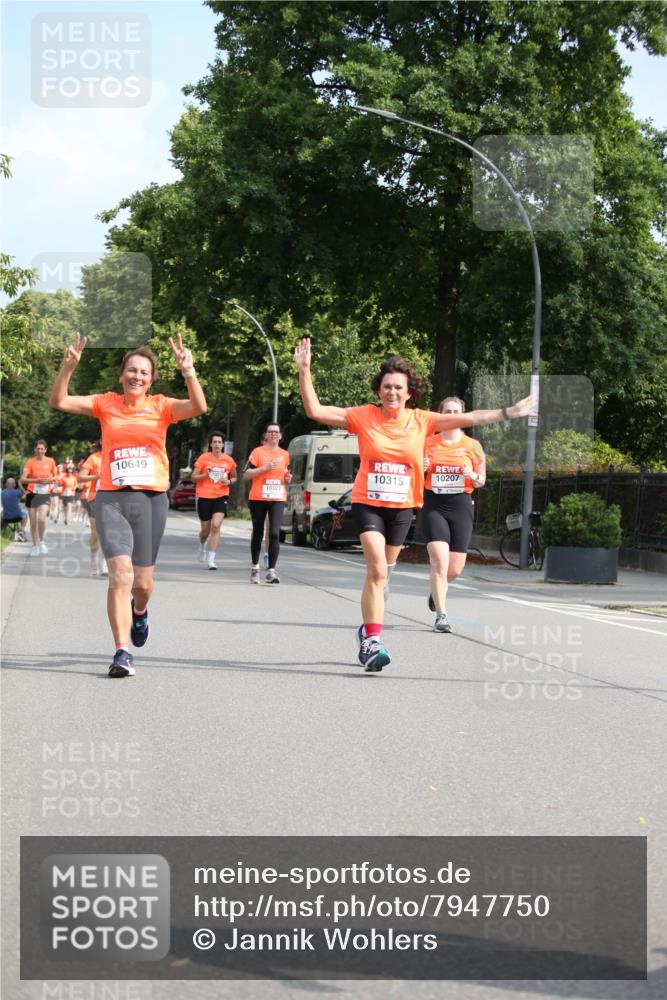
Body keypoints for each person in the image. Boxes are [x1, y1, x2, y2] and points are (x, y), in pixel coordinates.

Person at [294, 337, 534, 671]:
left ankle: (367, 625)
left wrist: (510, 412)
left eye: (398, 388)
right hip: (368, 503)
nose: (391, 392)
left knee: (385, 573)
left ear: (409, 393)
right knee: (376, 570)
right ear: (379, 390)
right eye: (386, 386)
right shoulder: (363, 416)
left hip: (403, 508)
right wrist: (304, 372)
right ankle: (372, 643)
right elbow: (315, 411)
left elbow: (471, 419)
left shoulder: (423, 421)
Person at [49, 331, 207, 678]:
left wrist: (189, 372)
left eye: (144, 373)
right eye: (132, 371)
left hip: (150, 500)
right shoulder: (105, 403)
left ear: (151, 380)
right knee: (119, 575)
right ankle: (121, 651)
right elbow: (59, 401)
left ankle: (140, 612)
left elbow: (198, 407)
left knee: (143, 584)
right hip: (112, 499)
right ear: (122, 375)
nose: (137, 377)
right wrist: (67, 368)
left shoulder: (162, 406)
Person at [423, 397, 486, 633]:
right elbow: (413, 475)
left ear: (462, 415)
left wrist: (471, 473)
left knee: (455, 570)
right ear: (440, 415)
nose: (451, 415)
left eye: (455, 411)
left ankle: (436, 590)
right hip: (434, 505)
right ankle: (441, 616)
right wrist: (423, 466)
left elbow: (481, 481)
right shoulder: (427, 443)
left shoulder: (473, 446)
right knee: (439, 560)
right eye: (446, 411)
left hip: (461, 506)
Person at [243, 422, 292, 584]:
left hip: (277, 497)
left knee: (274, 533)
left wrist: (287, 477)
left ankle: (271, 570)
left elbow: (284, 473)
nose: (273, 434)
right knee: (258, 532)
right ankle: (255, 567)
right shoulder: (258, 452)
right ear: (266, 435)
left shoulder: (285, 454)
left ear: (280, 436)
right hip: (258, 498)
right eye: (270, 432)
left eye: (276, 432)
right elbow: (246, 474)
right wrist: (264, 468)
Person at [192, 430, 237, 570]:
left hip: (220, 496)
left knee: (216, 526)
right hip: (204, 496)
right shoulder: (203, 458)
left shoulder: (228, 460)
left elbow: (234, 477)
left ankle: (211, 560)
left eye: (219, 442)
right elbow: (194, 477)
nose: (217, 444)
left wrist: (228, 481)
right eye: (214, 442)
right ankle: (202, 545)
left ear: (223, 444)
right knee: (205, 530)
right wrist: (205, 475)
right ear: (211, 444)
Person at [21, 439, 57, 556]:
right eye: (38, 449)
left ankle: (41, 541)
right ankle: (35, 545)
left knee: (41, 519)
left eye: (42, 449)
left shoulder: (51, 461)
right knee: (32, 522)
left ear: (46, 450)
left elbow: (56, 476)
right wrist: (36, 480)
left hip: (45, 493)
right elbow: (23, 479)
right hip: (32, 493)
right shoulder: (30, 462)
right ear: (35, 449)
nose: (40, 451)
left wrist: (50, 480)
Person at [78, 441, 107, 576]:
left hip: (114, 498)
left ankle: (105, 564)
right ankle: (94, 558)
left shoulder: (117, 455)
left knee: (108, 532)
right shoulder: (94, 457)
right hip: (95, 497)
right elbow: (80, 478)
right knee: (96, 533)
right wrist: (97, 476)